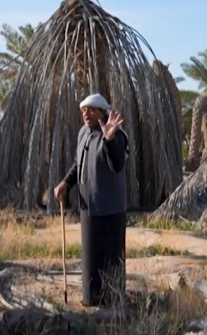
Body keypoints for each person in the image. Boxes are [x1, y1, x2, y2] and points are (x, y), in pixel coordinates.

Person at [54, 93, 129, 307]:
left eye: (92, 110)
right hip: (88, 209)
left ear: (102, 112)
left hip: (110, 209)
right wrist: (66, 184)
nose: (86, 114)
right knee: (90, 259)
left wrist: (110, 139)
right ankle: (91, 299)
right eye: (84, 110)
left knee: (111, 259)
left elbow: (117, 163)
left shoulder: (117, 135)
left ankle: (112, 302)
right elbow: (79, 164)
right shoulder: (83, 134)